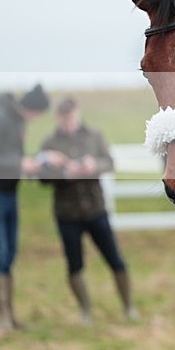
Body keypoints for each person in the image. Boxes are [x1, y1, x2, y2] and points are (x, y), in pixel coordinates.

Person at [38, 96, 138, 324]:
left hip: (96, 209)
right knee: (74, 263)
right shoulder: (50, 142)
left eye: (71, 118)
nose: (68, 123)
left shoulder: (94, 135)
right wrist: (63, 172)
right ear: (58, 118)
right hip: (67, 213)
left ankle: (128, 306)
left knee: (115, 259)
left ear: (77, 113)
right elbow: (41, 178)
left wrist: (94, 166)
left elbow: (110, 162)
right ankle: (86, 311)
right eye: (64, 120)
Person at [0, 83, 50, 332]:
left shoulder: (15, 120)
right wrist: (19, 164)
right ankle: (2, 317)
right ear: (33, 109)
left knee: (9, 251)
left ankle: (9, 314)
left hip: (7, 192)